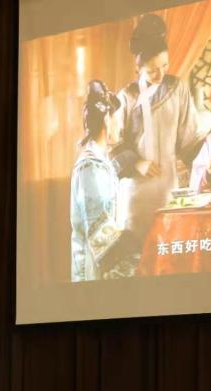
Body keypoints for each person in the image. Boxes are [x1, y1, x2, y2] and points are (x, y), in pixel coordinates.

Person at [112, 14, 205, 246]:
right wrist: (136, 162)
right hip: (136, 189)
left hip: (168, 184)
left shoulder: (177, 88)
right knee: (137, 250)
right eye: (153, 70)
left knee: (169, 244)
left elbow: (190, 137)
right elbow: (113, 142)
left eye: (165, 65)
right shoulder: (126, 96)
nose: (161, 74)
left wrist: (207, 159)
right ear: (138, 67)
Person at [70, 80, 130, 281]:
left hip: (105, 265)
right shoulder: (90, 166)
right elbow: (98, 232)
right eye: (118, 118)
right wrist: (130, 264)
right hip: (95, 270)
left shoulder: (102, 161)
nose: (121, 126)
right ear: (107, 119)